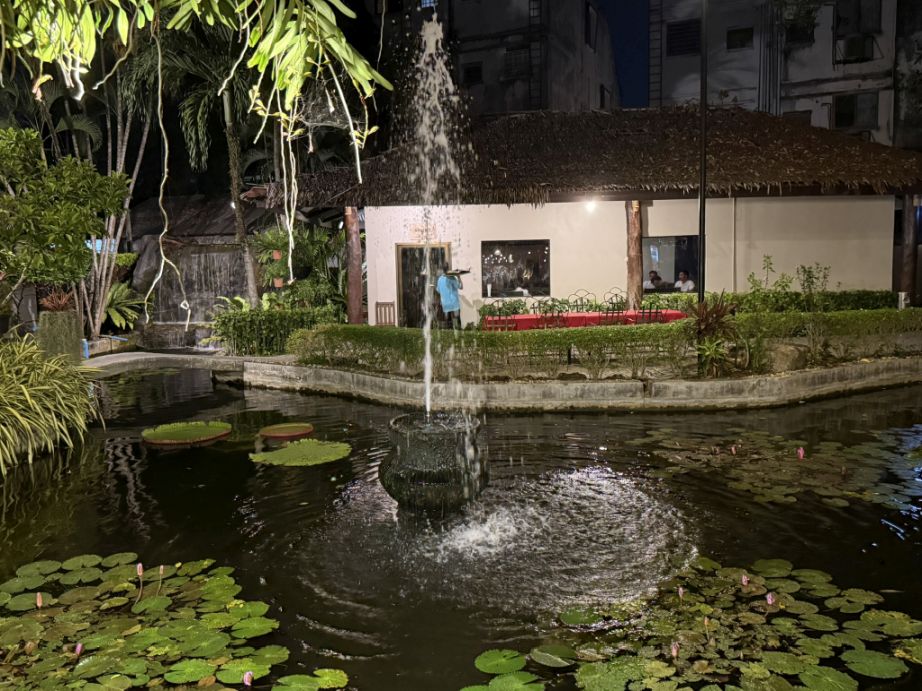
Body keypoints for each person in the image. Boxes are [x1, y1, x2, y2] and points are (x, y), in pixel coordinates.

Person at [436, 263, 462, 329]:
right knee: (456, 320)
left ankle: (448, 332)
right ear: (448, 268)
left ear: (442, 270)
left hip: (445, 304)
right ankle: (456, 332)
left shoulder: (439, 279)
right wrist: (459, 277)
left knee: (447, 321)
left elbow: (438, 290)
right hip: (453, 303)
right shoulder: (452, 277)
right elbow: (460, 286)